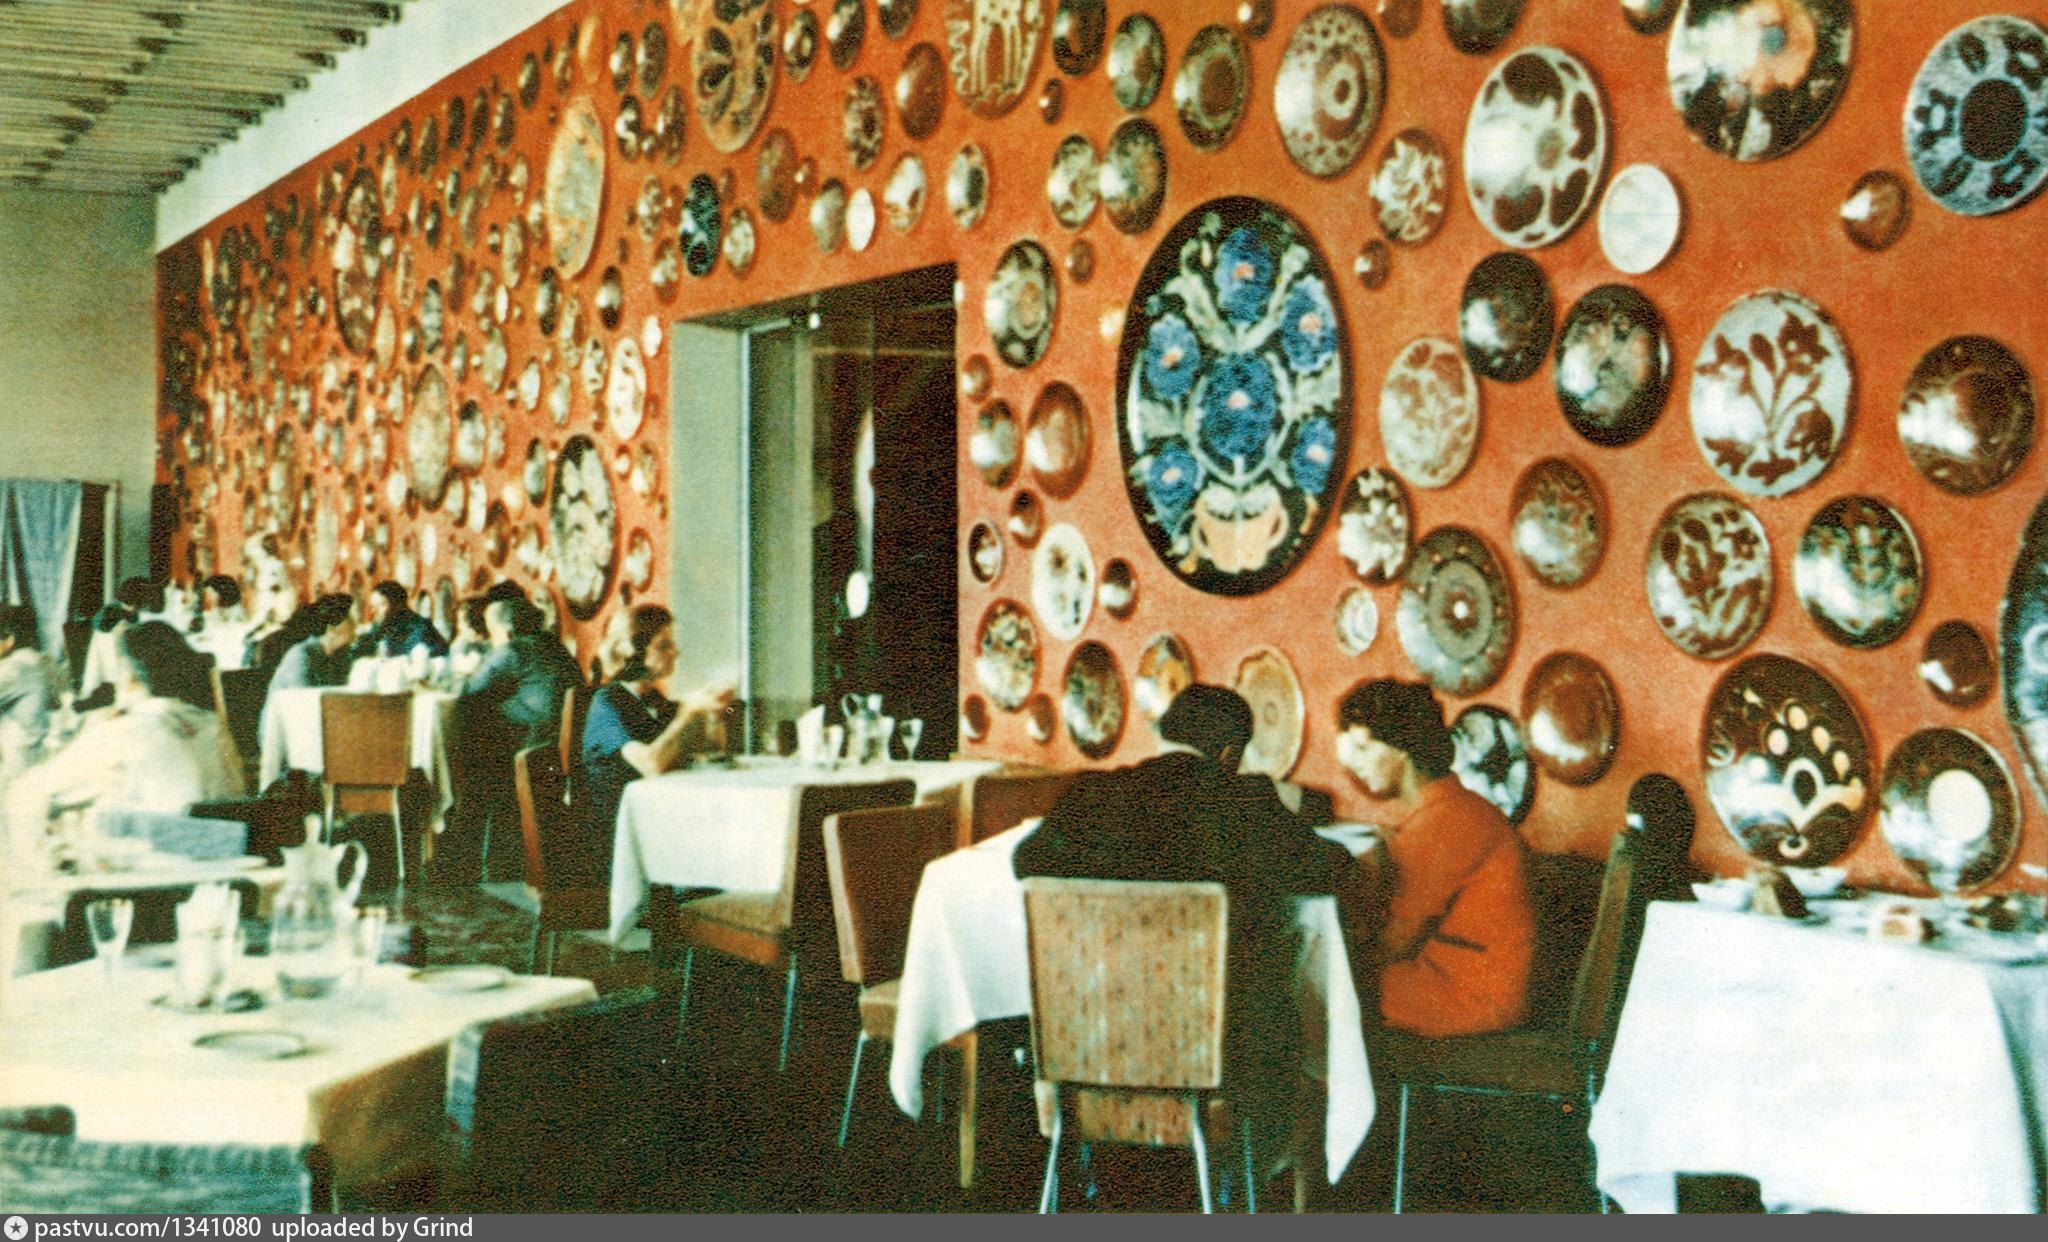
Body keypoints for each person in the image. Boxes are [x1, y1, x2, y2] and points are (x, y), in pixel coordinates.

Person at [1013, 684, 1365, 1167]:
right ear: (1231, 753)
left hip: (1095, 1049)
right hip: (1223, 1063)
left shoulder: (1090, 794)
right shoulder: (1246, 802)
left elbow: (1025, 860)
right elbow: (1335, 869)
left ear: (1163, 733)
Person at [1335, 678, 1534, 1039]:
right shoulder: (1443, 812)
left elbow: (1395, 945)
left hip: (1471, 995)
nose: (1355, 764)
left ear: (1402, 748)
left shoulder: (1448, 820)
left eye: (1364, 748)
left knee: (1318, 987)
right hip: (1447, 975)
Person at [7, 620, 243, 848]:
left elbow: (29, 791)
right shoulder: (212, 726)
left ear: (129, 676)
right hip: (220, 861)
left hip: (151, 865)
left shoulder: (128, 731)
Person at [575, 606, 734, 885]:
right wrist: (689, 712)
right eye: (663, 646)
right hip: (618, 840)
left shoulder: (655, 701)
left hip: (654, 826)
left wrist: (714, 714)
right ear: (633, 651)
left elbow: (709, 753)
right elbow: (652, 763)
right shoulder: (608, 703)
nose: (675, 652)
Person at [439, 598, 585, 885]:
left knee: (472, 757)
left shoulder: (515, 649)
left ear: (505, 630)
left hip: (534, 746)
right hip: (563, 743)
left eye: (491, 629)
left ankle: (461, 860)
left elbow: (467, 690)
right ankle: (490, 858)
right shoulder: (553, 645)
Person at [0, 605, 54, 775]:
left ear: (9, 640)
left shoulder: (16, 668)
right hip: (28, 751)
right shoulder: (34, 659)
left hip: (21, 759)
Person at [266, 594, 357, 694]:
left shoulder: (341, 654)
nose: (356, 624)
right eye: (352, 618)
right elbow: (303, 699)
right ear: (334, 626)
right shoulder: (301, 655)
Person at [354, 580, 448, 660]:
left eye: (381, 605)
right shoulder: (381, 625)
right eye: (373, 606)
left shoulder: (420, 628)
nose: (374, 611)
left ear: (398, 605)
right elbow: (361, 649)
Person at [448, 596, 492, 680]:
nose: (459, 627)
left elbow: (461, 672)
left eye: (460, 621)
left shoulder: (487, 648)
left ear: (472, 625)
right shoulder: (465, 644)